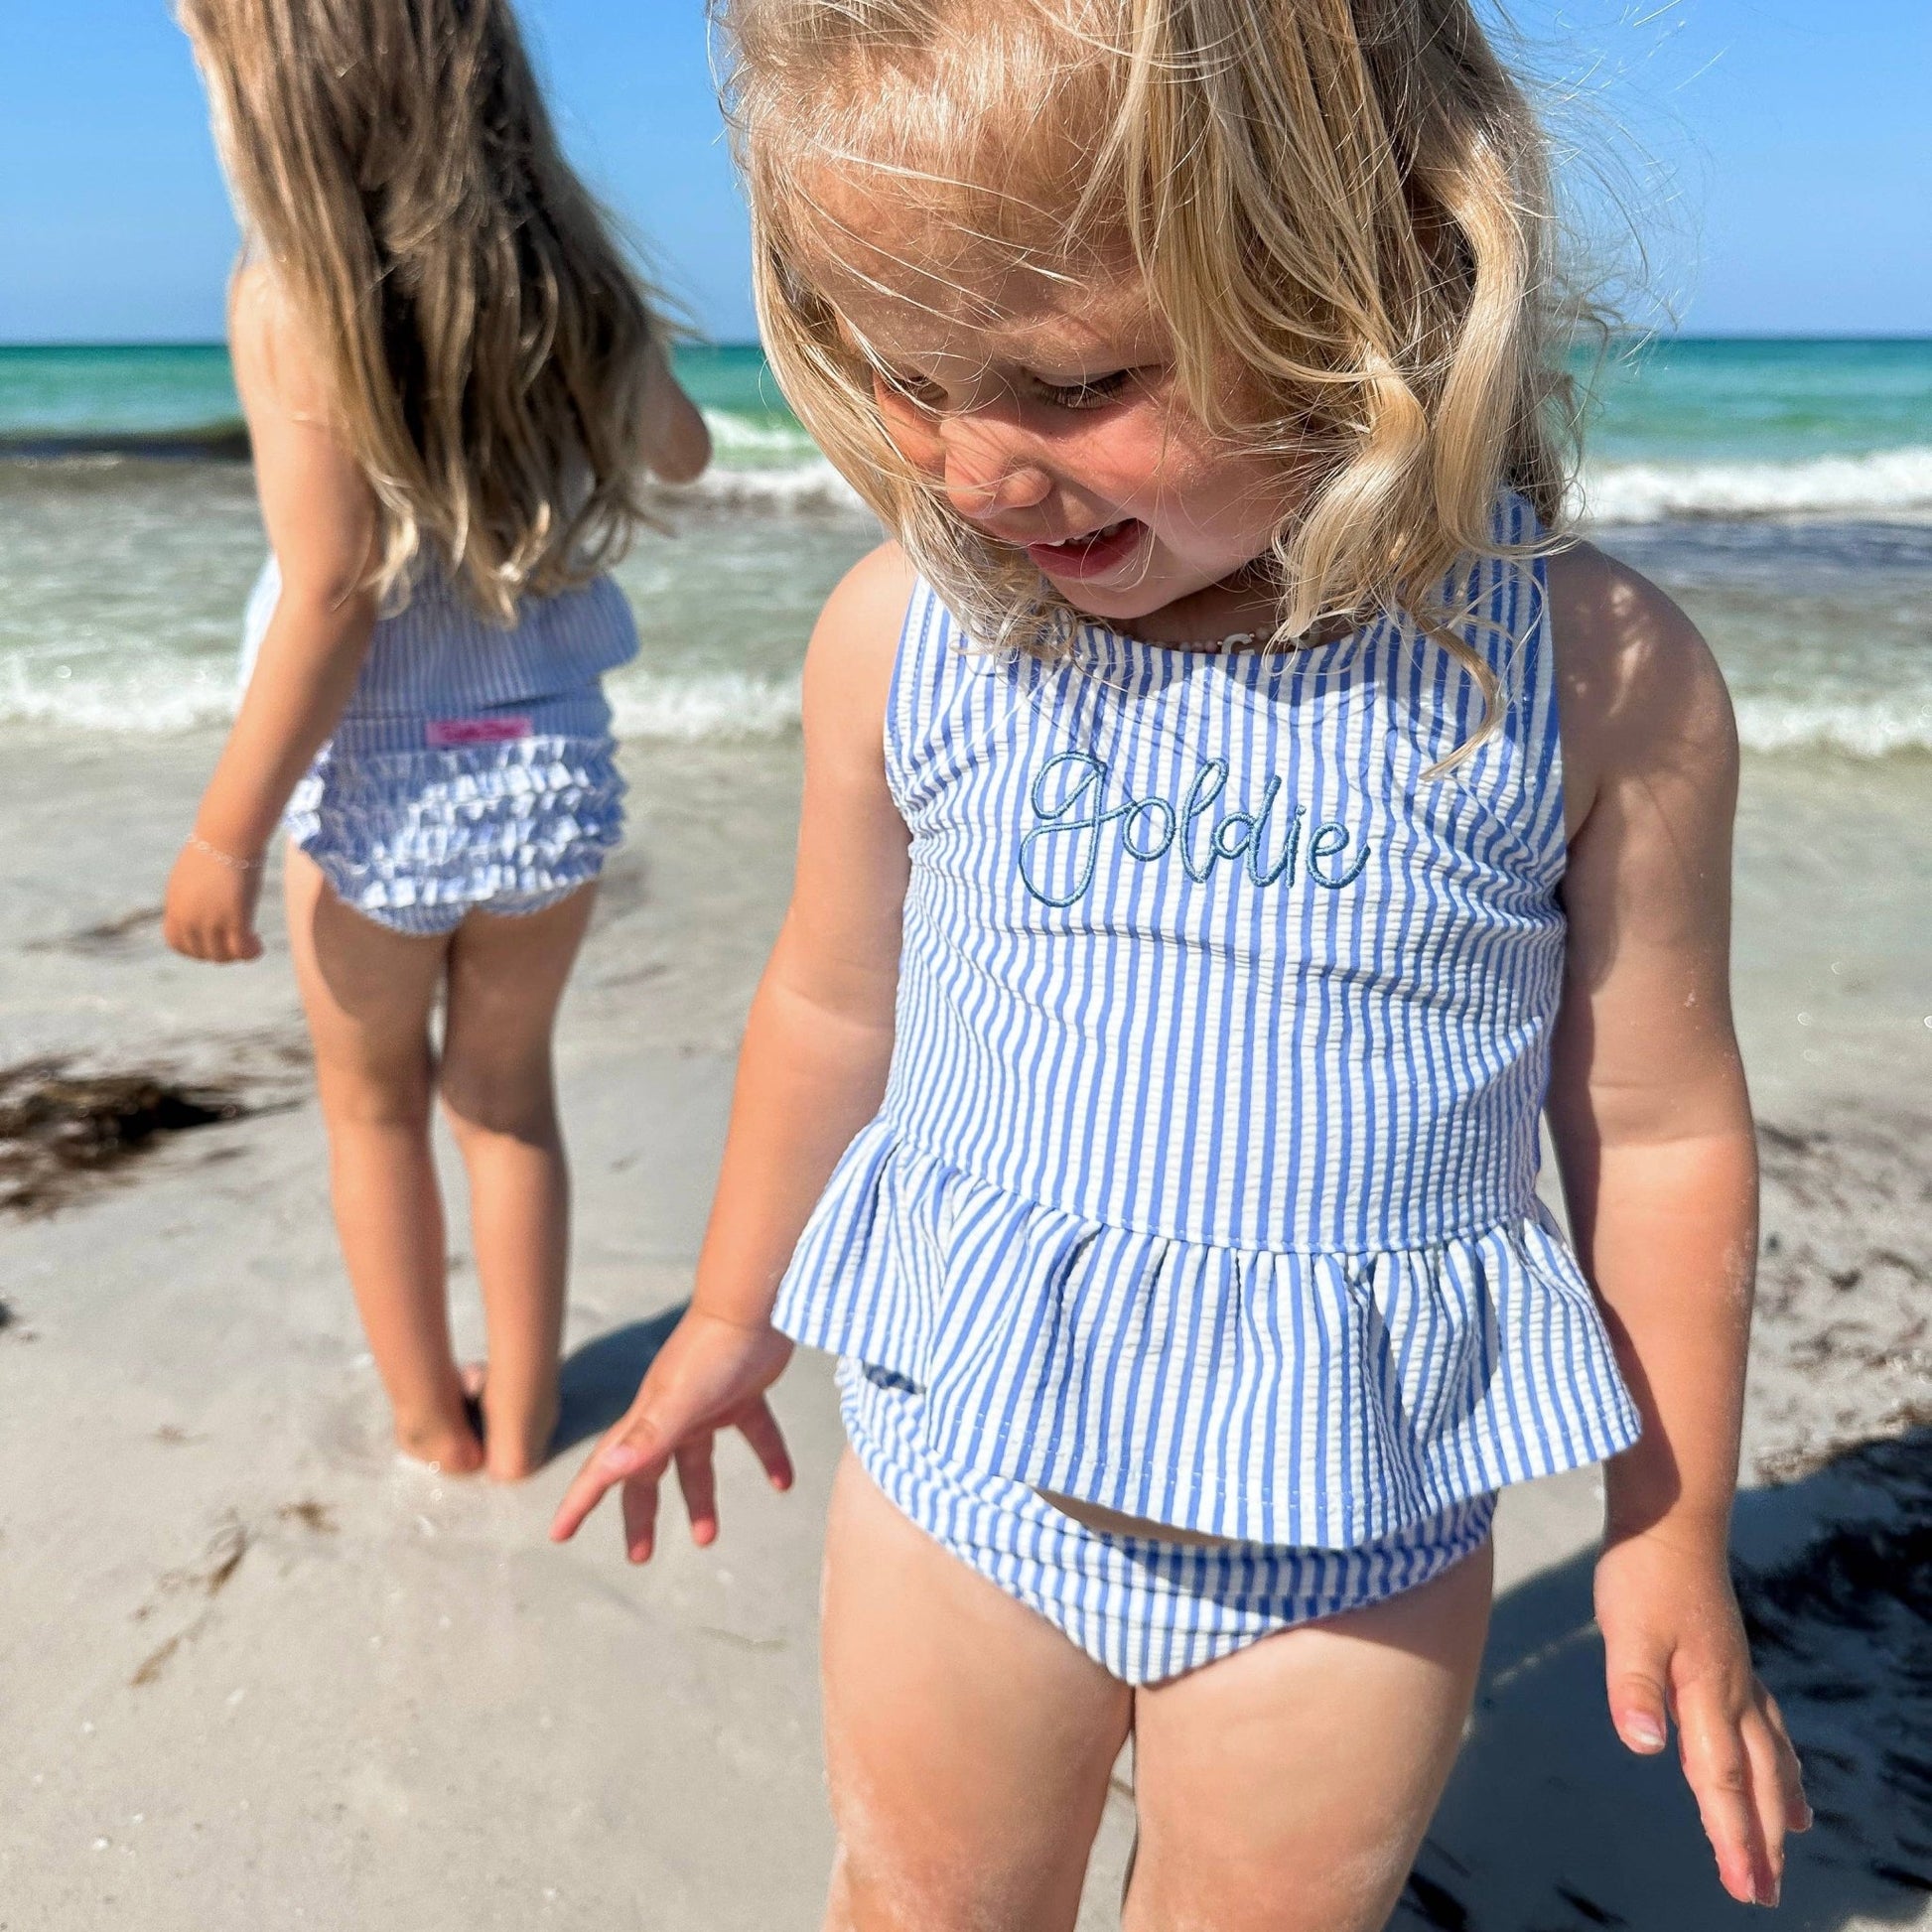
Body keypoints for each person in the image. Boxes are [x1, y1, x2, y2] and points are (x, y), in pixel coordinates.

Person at [552, 0, 1810, 1921]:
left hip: (1352, 1548)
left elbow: (1654, 1130)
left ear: (1367, 268)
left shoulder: (1584, 684)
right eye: (904, 372)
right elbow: (831, 1001)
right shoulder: (914, 636)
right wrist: (732, 1321)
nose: (974, 468)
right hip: (963, 1465)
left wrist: (1673, 1521)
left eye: (1068, 382)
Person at [163, 0, 710, 1480]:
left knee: (373, 1111)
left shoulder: (293, 296)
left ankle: (430, 1423)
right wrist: (594, 315)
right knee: (507, 1103)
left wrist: (222, 833)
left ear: (277, 102)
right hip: (547, 782)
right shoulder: (567, 284)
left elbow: (332, 589)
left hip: (381, 792)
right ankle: (525, 1421)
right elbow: (683, 449)